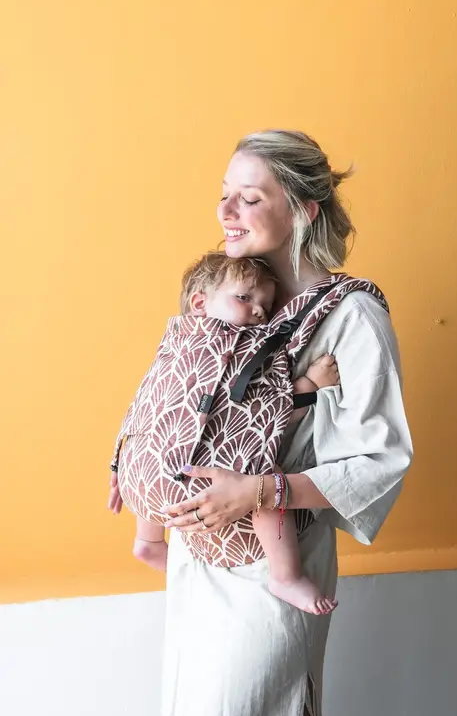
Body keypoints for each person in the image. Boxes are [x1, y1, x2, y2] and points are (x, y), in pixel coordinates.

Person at [108, 130, 412, 716]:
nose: (226, 212)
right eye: (224, 196)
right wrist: (137, 461)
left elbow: (380, 457)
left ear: (302, 209)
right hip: (198, 556)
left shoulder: (352, 316)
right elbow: (179, 394)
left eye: (249, 197)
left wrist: (260, 489)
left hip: (275, 565)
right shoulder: (225, 298)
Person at [129, 250, 340, 616]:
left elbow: (149, 401)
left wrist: (122, 463)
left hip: (144, 481)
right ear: (200, 303)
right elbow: (261, 414)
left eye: (266, 306)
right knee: (265, 485)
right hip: (200, 484)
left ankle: (147, 540)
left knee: (161, 448)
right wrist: (309, 385)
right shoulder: (241, 348)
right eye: (244, 297)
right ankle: (285, 575)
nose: (258, 311)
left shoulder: (175, 342)